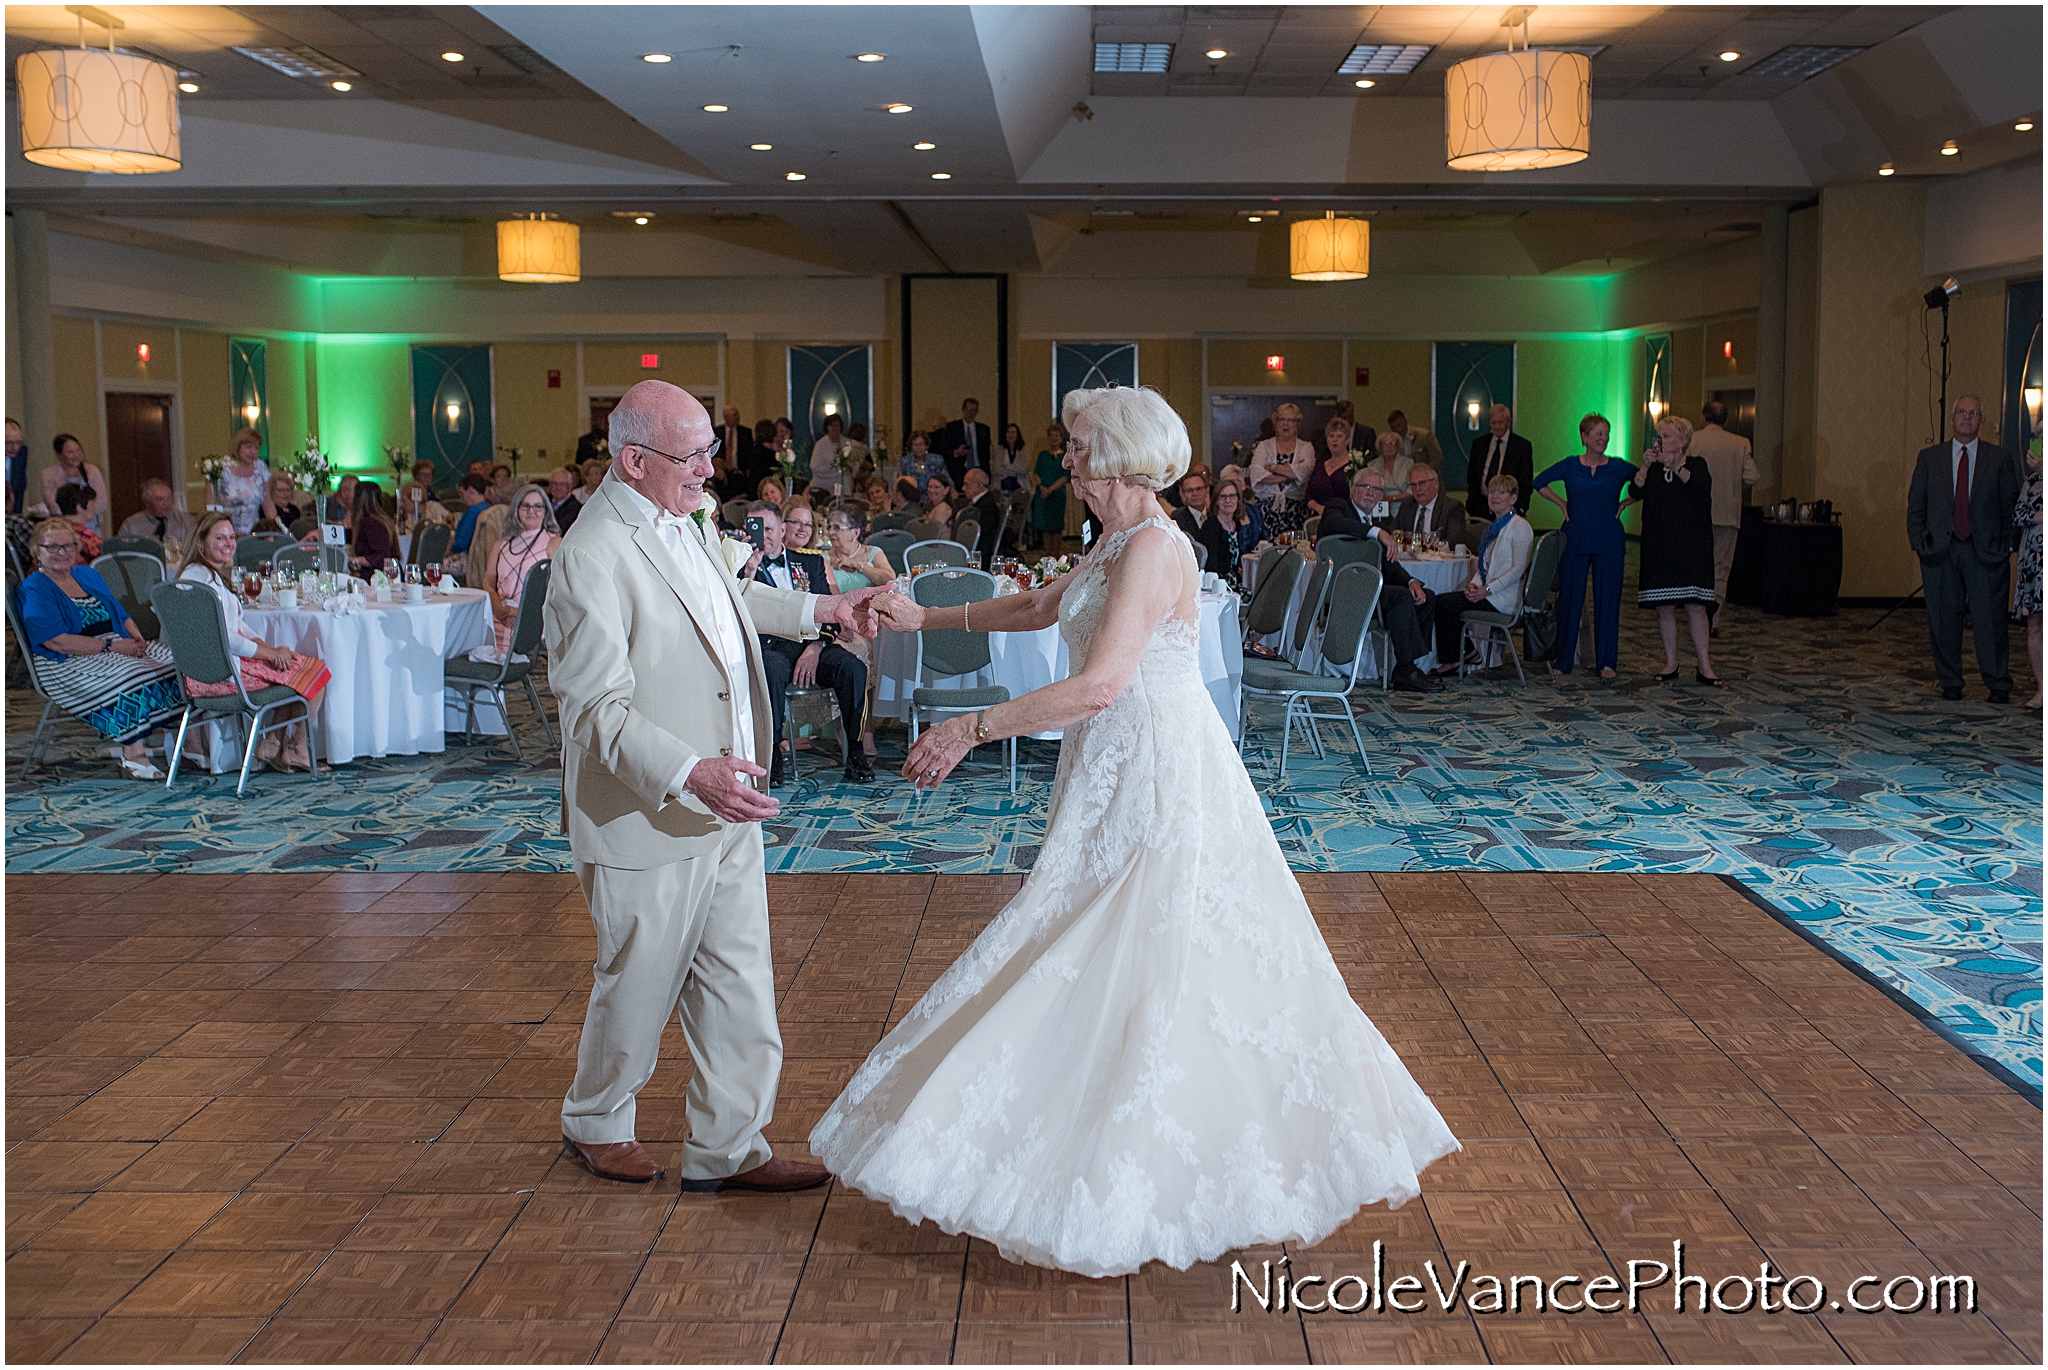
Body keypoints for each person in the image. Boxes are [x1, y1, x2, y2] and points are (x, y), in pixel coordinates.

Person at [820, 385, 1459, 1274]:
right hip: (1112, 761)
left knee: (1144, 935)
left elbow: (1099, 685)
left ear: (1117, 456)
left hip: (1158, 764)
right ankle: (1093, 1123)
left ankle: (1148, 1158)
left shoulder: (1157, 546)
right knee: (1105, 933)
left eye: (1078, 446)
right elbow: (1041, 611)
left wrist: (970, 727)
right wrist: (930, 616)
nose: (1067, 460)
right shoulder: (1116, 539)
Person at [541, 380, 885, 1188]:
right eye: (691, 453)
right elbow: (593, 710)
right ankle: (595, 1121)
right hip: (652, 807)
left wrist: (827, 611)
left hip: (729, 799)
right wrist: (688, 771)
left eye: (709, 448)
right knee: (640, 982)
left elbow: (730, 598)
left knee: (738, 983)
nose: (710, 468)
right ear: (633, 460)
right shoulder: (593, 556)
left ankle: (729, 1148)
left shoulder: (685, 520)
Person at [18, 517, 184, 780]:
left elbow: (120, 612)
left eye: (68, 546)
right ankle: (134, 754)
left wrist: (138, 639)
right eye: (52, 547)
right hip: (67, 659)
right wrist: (114, 647)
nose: (61, 553)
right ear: (36, 550)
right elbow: (56, 640)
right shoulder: (34, 588)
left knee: (180, 662)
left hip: (114, 644)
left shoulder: (87, 574)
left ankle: (187, 745)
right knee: (132, 674)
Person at [737, 501, 874, 786]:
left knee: (853, 668)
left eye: (770, 528)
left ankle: (856, 753)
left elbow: (832, 611)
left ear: (782, 529)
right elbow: (734, 613)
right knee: (771, 669)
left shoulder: (809, 562)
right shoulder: (737, 567)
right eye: (756, 528)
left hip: (813, 645)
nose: (764, 535)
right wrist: (748, 571)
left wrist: (815, 648)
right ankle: (772, 756)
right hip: (771, 648)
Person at [176, 511, 321, 772]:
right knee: (314, 672)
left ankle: (273, 744)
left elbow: (237, 626)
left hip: (209, 670)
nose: (229, 543)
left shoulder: (203, 575)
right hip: (219, 677)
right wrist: (268, 655)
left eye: (231, 537)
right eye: (220, 538)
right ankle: (294, 748)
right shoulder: (200, 580)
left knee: (293, 667)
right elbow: (226, 638)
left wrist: (272, 650)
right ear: (201, 543)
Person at [1907, 394, 2020, 702]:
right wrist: (1919, 541)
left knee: (1990, 621)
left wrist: (2008, 544)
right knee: (1943, 620)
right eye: (1962, 412)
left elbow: (2012, 506)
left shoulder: (2000, 459)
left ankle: (1998, 683)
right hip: (1940, 552)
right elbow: (1916, 505)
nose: (1967, 418)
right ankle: (1950, 681)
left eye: (1973, 413)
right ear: (1952, 417)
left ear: (1981, 420)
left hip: (1985, 552)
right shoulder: (1929, 458)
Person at [1316, 470, 1445, 694]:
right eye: (1365, 486)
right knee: (1399, 597)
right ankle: (1406, 670)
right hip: (1341, 595)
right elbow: (1334, 525)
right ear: (1353, 489)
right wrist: (1377, 533)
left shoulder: (1378, 523)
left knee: (1423, 596)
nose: (1370, 493)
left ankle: (1410, 667)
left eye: (1376, 489)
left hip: (1370, 594)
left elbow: (1390, 565)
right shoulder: (1338, 508)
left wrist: (1411, 580)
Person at [1535, 413, 1639, 680]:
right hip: (1575, 538)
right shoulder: (1570, 465)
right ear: (1584, 437)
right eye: (1598, 435)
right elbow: (1539, 482)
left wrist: (1625, 503)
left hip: (1609, 540)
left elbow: (1643, 485)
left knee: (1608, 602)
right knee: (1570, 600)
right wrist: (1561, 503)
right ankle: (1564, 659)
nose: (1603, 439)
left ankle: (1606, 662)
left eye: (1606, 434)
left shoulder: (1618, 467)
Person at [1633, 416, 1721, 684]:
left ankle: (1704, 665)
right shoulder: (1655, 470)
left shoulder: (1697, 465)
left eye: (1667, 436)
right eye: (1659, 436)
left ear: (1682, 441)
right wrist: (1646, 466)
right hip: (1660, 545)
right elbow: (1635, 491)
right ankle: (1671, 662)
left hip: (1692, 546)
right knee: (1665, 606)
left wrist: (1676, 467)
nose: (1661, 441)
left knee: (1696, 607)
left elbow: (1700, 488)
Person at [1433, 473, 1534, 673]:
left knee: (1444, 604)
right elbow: (1484, 565)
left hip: (1505, 598)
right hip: (1490, 592)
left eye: (1501, 492)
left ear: (1513, 498)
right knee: (1442, 602)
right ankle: (1466, 655)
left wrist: (1487, 589)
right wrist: (1474, 584)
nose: (1494, 496)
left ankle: (1459, 658)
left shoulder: (1520, 527)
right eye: (1492, 491)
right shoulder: (1493, 529)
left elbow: (1518, 569)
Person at [1689, 400, 1759, 630]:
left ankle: (1695, 615)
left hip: (1697, 514)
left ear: (1704, 417)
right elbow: (1751, 477)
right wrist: (1732, 486)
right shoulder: (1740, 443)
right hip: (1727, 514)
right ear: (1726, 419)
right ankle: (1713, 619)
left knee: (1697, 566)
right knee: (1720, 568)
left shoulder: (1692, 440)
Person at [488, 485, 562, 652]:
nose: (531, 511)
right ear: (516, 509)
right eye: (525, 506)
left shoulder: (553, 543)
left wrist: (523, 612)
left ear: (545, 511)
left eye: (538, 506)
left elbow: (559, 591)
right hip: (497, 614)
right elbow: (488, 581)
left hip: (532, 620)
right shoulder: (501, 545)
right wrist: (498, 608)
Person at [1248, 402, 1315, 537]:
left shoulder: (1306, 447)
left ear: (1297, 425)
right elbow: (1256, 475)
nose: (1286, 423)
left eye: (1291, 420)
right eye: (1282, 419)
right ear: (1276, 423)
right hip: (1266, 511)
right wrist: (1291, 474)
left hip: (1296, 511)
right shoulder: (1264, 446)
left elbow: (1304, 471)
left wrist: (1272, 468)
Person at [1465, 404, 1534, 519]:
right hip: (1480, 505)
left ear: (1508, 422)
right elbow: (1472, 476)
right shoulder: (1479, 444)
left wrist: (1521, 507)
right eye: (1493, 423)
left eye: (1501, 422)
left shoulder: (1521, 446)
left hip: (1508, 506)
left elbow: (1526, 480)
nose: (1497, 426)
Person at [2015, 441, 2043, 712]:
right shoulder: (2032, 479)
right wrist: (2037, 516)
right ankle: (2041, 688)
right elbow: (2019, 514)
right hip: (2034, 561)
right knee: (2035, 625)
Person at [1391, 464, 1470, 547]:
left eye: (1422, 483)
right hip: (1408, 558)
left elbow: (1454, 541)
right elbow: (1393, 533)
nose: (1417, 489)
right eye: (1413, 485)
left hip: (1438, 558)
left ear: (1435, 483)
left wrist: (1427, 549)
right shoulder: (1407, 506)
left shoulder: (1452, 508)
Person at [42, 434, 109, 532]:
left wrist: (82, 514)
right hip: (65, 527)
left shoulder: (92, 471)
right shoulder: (49, 474)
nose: (76, 455)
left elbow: (101, 503)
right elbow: (53, 505)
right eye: (70, 452)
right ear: (58, 454)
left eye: (78, 450)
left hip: (93, 526)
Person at [212, 428, 271, 535]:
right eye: (248, 447)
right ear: (238, 447)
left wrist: (275, 527)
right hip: (226, 532)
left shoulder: (260, 467)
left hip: (254, 532)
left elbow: (267, 502)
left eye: (256, 448)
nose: (252, 451)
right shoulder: (219, 469)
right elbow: (211, 506)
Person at [1170, 469, 1231, 573]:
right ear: (1183, 494)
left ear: (1207, 491)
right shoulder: (1177, 519)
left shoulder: (1217, 516)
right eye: (1189, 490)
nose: (1195, 494)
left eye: (1198, 489)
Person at [117, 477, 196, 549]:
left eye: (169, 498)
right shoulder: (131, 525)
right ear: (146, 502)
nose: (166, 503)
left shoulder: (184, 520)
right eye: (160, 499)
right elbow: (122, 552)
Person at [1304, 416, 1358, 517]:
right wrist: (1318, 508)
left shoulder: (1355, 465)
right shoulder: (1320, 464)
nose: (1335, 440)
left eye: (1339, 436)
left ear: (1347, 440)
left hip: (1344, 518)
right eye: (1331, 436)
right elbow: (1308, 494)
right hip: (1318, 518)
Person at [1030, 423, 1070, 556]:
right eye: (1051, 435)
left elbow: (1065, 476)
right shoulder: (1042, 455)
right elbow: (1036, 472)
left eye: (1056, 436)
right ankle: (1047, 555)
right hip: (1042, 494)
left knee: (1056, 527)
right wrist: (1042, 487)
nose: (1053, 438)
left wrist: (1051, 489)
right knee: (1045, 527)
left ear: (1061, 438)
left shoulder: (1065, 456)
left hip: (1057, 494)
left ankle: (1057, 555)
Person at [1212, 476, 1263, 577]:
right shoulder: (1211, 526)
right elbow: (1213, 566)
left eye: (1232, 496)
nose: (1228, 500)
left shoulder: (1237, 524)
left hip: (1236, 580)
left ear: (1238, 499)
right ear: (1216, 500)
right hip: (1219, 583)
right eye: (1223, 496)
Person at [938, 398, 991, 489]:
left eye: (974, 410)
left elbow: (986, 453)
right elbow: (944, 449)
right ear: (963, 410)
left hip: (978, 469)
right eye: (968, 409)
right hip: (959, 471)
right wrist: (956, 452)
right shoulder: (952, 427)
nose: (971, 413)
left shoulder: (983, 430)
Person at [348, 479, 399, 574]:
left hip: (377, 579)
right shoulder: (377, 521)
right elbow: (353, 535)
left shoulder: (372, 524)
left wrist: (353, 560)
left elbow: (381, 557)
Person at [957, 468, 1002, 568]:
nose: (963, 488)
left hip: (980, 556)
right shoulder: (979, 503)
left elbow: (980, 536)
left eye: (967, 484)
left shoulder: (987, 506)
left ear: (979, 485)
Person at [449, 473, 491, 576]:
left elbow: (461, 544)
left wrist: (449, 549)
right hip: (486, 561)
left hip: (469, 562)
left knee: (433, 566)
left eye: (462, 494)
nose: (462, 498)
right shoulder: (490, 508)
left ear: (471, 490)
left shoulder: (473, 511)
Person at [56, 484, 104, 561]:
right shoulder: (86, 537)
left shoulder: (50, 531)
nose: (94, 508)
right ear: (79, 508)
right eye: (92, 504)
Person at [808, 412, 849, 499]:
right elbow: (814, 467)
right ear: (827, 427)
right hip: (822, 487)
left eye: (837, 425)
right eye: (832, 426)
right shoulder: (820, 444)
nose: (835, 428)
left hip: (841, 486)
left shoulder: (846, 443)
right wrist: (835, 471)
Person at [546, 466, 583, 534]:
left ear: (570, 486)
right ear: (550, 485)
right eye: (555, 483)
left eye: (562, 484)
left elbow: (557, 530)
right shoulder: (544, 501)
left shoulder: (575, 509)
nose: (558, 487)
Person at [6, 418, 25, 517]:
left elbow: (20, 488)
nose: (15, 448)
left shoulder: (21, 454)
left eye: (18, 442)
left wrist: (16, 518)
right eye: (9, 443)